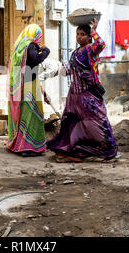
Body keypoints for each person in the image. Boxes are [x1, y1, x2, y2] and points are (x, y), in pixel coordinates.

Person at [47, 19, 119, 163]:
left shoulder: (90, 49)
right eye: (77, 34)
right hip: (74, 95)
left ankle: (108, 151)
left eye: (83, 34)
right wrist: (55, 69)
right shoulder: (75, 52)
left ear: (89, 37)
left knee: (96, 121)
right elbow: (68, 69)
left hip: (89, 95)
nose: (79, 37)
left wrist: (94, 30)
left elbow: (101, 44)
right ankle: (74, 149)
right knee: (73, 123)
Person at [7, 24, 50, 156]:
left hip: (23, 83)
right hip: (29, 85)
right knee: (31, 115)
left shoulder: (19, 46)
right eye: (39, 35)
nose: (40, 38)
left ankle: (21, 144)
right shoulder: (29, 46)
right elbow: (36, 59)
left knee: (25, 114)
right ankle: (26, 147)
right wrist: (46, 51)